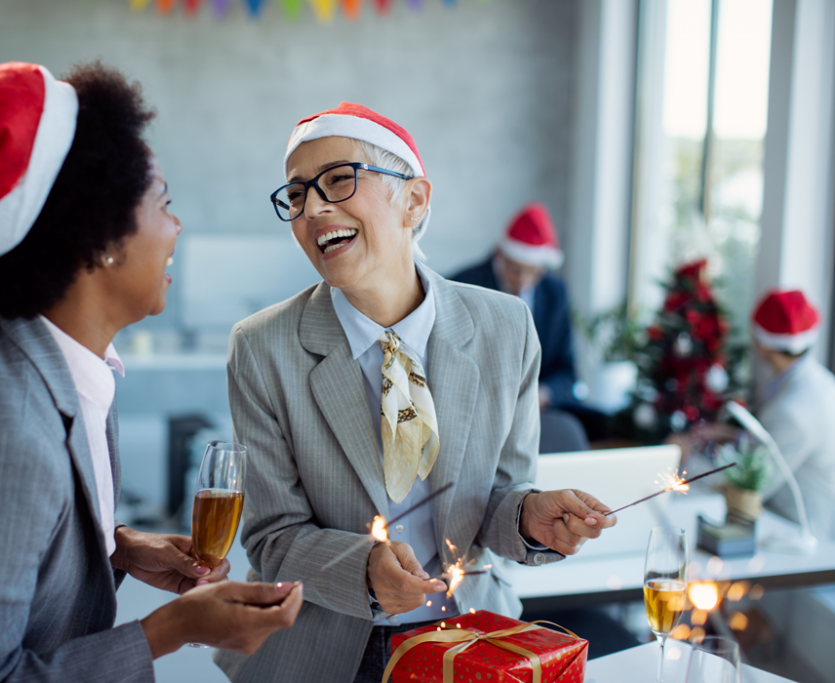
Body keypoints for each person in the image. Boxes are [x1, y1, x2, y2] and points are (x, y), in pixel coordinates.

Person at [0, 62, 301, 683]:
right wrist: (170, 630)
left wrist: (114, 544)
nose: (176, 228)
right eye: (163, 204)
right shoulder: (1, 433)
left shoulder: (54, 355)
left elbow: (14, 538)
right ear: (100, 240)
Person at [213, 102, 615, 683]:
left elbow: (501, 496)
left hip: (475, 636)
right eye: (297, 195)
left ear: (415, 200)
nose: (315, 207)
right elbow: (272, 539)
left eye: (338, 179)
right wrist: (363, 570)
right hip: (323, 650)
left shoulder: (506, 327)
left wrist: (529, 517)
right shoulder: (261, 347)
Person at [676, 289, 835, 539]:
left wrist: (685, 460)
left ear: (762, 344)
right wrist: (734, 435)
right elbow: (782, 447)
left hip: (797, 536)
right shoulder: (822, 383)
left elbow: (749, 487)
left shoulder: (792, 411)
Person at [449, 203, 577, 411]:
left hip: (537, 411)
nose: (524, 280)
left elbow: (566, 371)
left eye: (534, 272)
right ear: (500, 254)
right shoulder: (462, 285)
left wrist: (543, 393)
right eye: (516, 270)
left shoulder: (555, 293)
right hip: (476, 407)